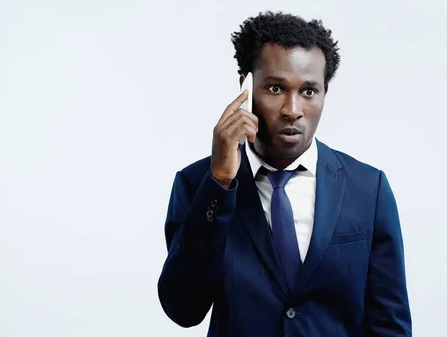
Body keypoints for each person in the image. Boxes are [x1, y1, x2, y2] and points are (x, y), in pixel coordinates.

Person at [157, 11, 412, 337]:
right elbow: (184, 308)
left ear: (325, 93)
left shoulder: (368, 189)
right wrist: (220, 183)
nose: (293, 109)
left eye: (308, 91)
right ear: (245, 88)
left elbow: (390, 325)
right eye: (276, 89)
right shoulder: (198, 185)